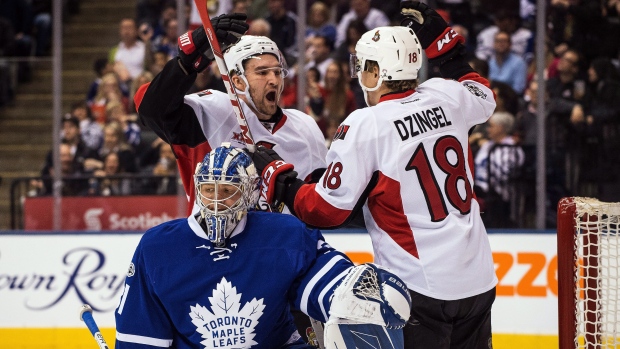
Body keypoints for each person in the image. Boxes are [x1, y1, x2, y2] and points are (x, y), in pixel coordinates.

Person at [251, 2, 498, 347]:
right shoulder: (447, 95)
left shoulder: (367, 123)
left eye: (363, 66)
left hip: (421, 289)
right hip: (478, 279)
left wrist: (280, 178)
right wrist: (445, 45)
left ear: (377, 72)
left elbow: (325, 210)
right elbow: (482, 93)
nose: (359, 75)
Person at [114, 144, 411, 349]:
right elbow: (141, 336)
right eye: (208, 190)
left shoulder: (283, 234)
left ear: (250, 193)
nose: (216, 202)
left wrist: (352, 298)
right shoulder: (158, 248)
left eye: (228, 191)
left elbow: (329, 287)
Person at [134, 13, 327, 217]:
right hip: (215, 245)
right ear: (237, 81)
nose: (274, 80)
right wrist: (186, 62)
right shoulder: (211, 110)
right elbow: (149, 109)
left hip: (280, 245)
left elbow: (320, 205)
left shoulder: (305, 126)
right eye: (262, 72)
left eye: (277, 72)